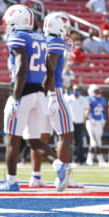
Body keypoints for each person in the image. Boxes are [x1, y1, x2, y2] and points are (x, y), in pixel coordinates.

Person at [0, 5, 66, 192]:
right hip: (39, 93)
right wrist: (48, 94)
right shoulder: (39, 37)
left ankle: (11, 181)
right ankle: (60, 165)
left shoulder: (18, 37)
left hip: (23, 92)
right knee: (32, 140)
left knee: (12, 139)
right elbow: (50, 70)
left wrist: (15, 98)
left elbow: (22, 69)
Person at [39, 12, 74, 190]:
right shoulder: (55, 42)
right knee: (66, 134)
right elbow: (50, 70)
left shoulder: (41, 40)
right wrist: (48, 93)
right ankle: (62, 175)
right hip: (53, 92)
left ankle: (35, 175)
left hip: (43, 92)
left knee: (41, 136)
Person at [66, 85, 89, 164]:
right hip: (70, 122)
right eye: (76, 89)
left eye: (79, 89)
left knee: (79, 142)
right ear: (72, 90)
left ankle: (80, 159)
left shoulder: (83, 99)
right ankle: (69, 159)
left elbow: (87, 109)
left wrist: (85, 117)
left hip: (79, 122)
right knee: (68, 141)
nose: (77, 91)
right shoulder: (68, 99)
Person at [85, 84, 107, 166]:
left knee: (97, 142)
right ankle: (101, 160)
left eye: (99, 90)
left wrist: (103, 119)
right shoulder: (88, 99)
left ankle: (89, 160)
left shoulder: (103, 99)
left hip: (99, 121)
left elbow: (104, 111)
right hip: (91, 121)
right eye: (96, 91)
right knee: (94, 142)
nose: (98, 92)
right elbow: (87, 110)